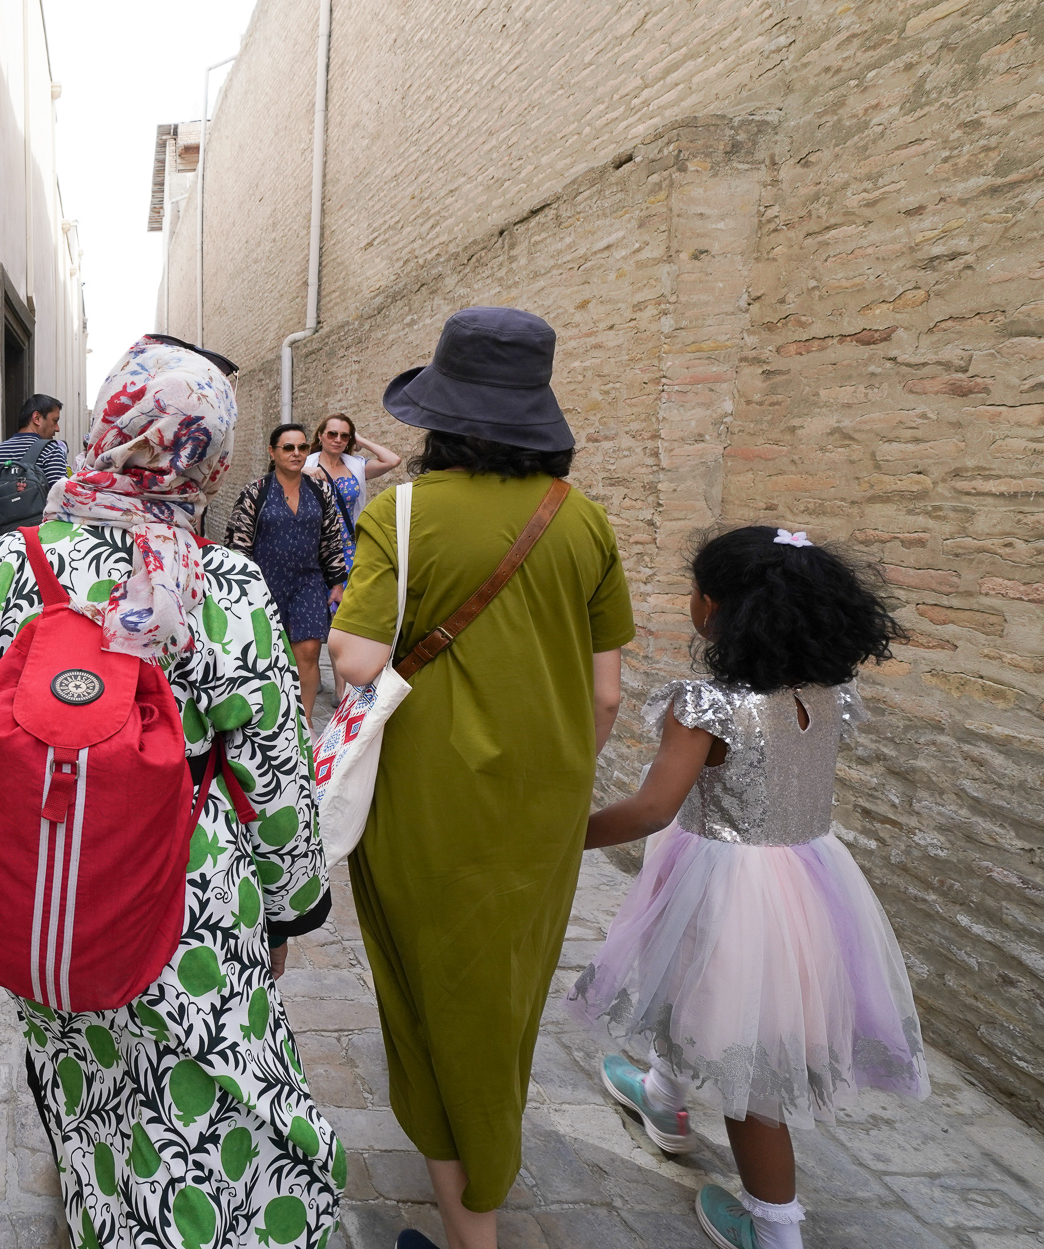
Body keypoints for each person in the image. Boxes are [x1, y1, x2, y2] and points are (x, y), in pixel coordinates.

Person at [0, 335, 343, 1249]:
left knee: (87, 1086)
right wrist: (291, 908)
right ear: (210, 459)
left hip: (52, 879)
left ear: (108, 430)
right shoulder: (231, 586)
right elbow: (276, 770)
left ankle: (101, 1207)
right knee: (222, 1104)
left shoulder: (14, 566)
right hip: (194, 888)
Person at [325, 307, 635, 1249]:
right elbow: (608, 692)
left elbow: (353, 656)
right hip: (541, 803)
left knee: (429, 990)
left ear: (441, 416)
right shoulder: (583, 519)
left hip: (425, 796)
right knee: (504, 994)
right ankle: (478, 1199)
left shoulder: (401, 512)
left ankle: (475, 1225)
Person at [567, 526, 927, 1249]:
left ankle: (774, 1226)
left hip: (729, 886)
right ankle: (665, 1100)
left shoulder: (707, 705)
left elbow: (650, 809)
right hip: (807, 879)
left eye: (695, 590)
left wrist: (560, 836)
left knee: (748, 1060)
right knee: (703, 993)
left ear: (715, 608)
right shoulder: (827, 694)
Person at [223, 425, 349, 719]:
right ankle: (265, 718)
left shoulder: (320, 491)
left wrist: (337, 583)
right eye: (288, 448)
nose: (296, 453)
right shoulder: (256, 492)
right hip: (263, 584)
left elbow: (331, 539)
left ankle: (304, 725)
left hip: (308, 582)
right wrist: (241, 587)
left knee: (308, 653)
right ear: (273, 452)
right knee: (264, 654)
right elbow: (237, 542)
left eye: (302, 448)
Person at [305, 412, 402, 572]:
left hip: (347, 547)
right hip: (313, 547)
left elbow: (393, 460)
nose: (338, 439)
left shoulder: (356, 467)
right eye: (332, 434)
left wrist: (360, 440)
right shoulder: (304, 465)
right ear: (320, 436)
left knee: (347, 595)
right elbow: (275, 485)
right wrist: (300, 471)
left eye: (345, 436)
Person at [0, 393, 68, 534]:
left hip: (3, 544)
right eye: (55, 420)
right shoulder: (51, 451)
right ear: (37, 418)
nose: (57, 428)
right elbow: (61, 506)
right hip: (40, 543)